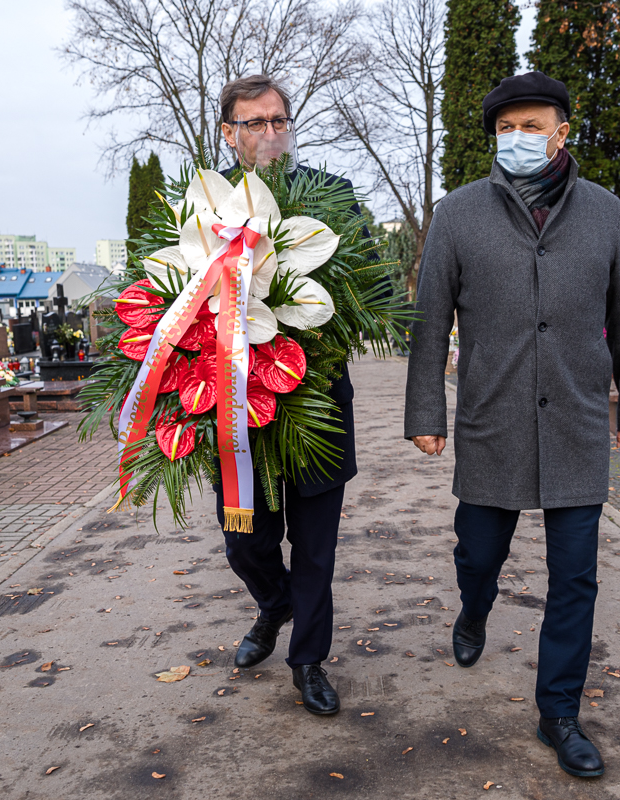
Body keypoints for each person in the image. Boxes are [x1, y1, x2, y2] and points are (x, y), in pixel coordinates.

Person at [404, 71, 620, 779]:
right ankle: (474, 607)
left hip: (577, 420)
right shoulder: (458, 213)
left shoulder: (603, 211)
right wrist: (426, 413)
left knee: (575, 578)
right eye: (506, 128)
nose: (517, 137)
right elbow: (431, 322)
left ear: (561, 133)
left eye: (532, 126)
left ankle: (559, 714)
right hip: (493, 418)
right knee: (478, 553)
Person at [211, 74, 360, 716]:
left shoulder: (333, 196)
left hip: (316, 403)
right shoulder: (205, 204)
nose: (270, 133)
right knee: (245, 541)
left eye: (279, 121)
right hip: (235, 408)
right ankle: (274, 606)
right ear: (229, 133)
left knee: (316, 550)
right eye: (255, 122)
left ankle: (308, 662)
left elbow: (362, 292)